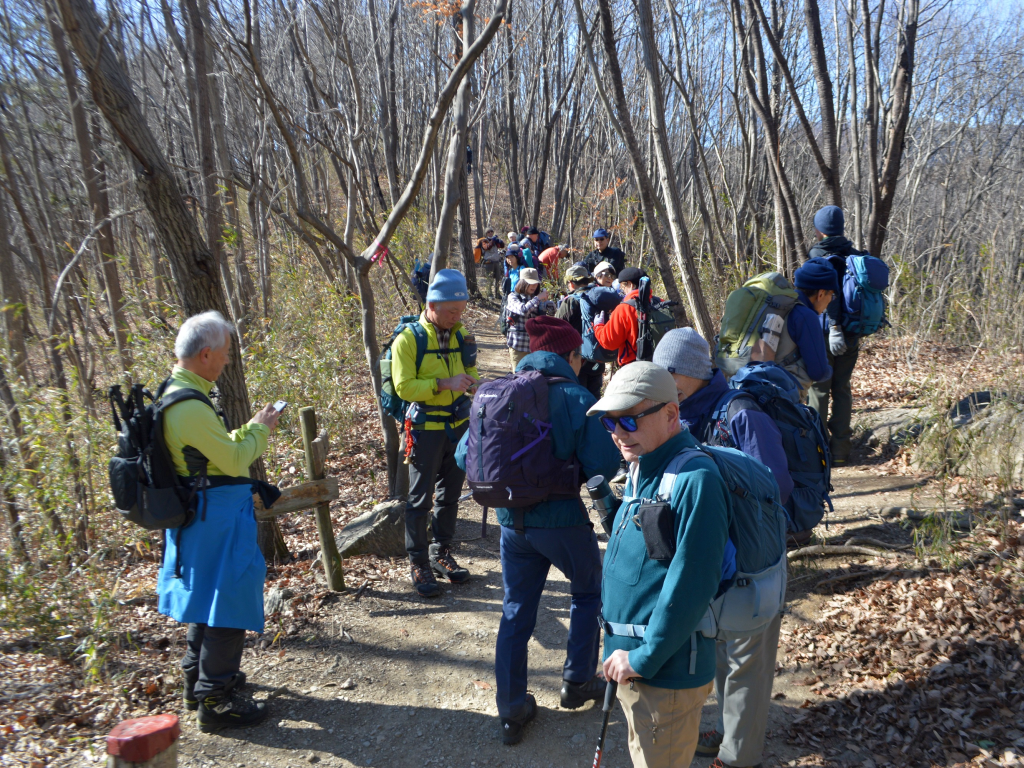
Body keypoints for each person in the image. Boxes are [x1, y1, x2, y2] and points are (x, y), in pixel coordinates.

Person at [457, 316, 620, 745]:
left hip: (512, 524)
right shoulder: (576, 396)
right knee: (588, 591)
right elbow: (605, 463)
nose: (582, 360)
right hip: (563, 521)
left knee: (515, 610)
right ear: (567, 355)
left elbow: (463, 457)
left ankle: (511, 709)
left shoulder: (499, 394)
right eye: (579, 354)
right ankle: (577, 681)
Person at [652, 329, 788, 768]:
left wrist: (718, 500)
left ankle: (736, 758)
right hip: (713, 563)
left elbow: (776, 487)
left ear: (689, 371)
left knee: (747, 665)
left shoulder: (740, 413)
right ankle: (729, 732)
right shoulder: (680, 411)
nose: (660, 377)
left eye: (667, 370)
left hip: (750, 561)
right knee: (719, 654)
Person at [587, 362, 730, 768]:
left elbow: (692, 582)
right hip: (633, 662)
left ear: (671, 415)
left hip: (663, 671)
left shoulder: (696, 479)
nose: (617, 432)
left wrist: (643, 658)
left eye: (629, 419)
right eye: (611, 422)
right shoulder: (641, 466)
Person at [158, 310, 280, 731]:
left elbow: (210, 449)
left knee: (207, 598)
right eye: (225, 354)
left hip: (199, 514)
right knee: (227, 600)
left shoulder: (175, 392)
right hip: (216, 518)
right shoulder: (189, 404)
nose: (227, 361)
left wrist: (246, 428)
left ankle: (200, 681)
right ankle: (217, 699)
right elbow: (232, 458)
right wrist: (260, 430)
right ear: (205, 354)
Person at [392, 269, 480, 597]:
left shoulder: (462, 335)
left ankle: (441, 553)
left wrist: (475, 385)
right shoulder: (409, 339)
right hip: (425, 429)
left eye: (461, 310)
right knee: (419, 498)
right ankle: (418, 562)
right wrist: (443, 384)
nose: (458, 317)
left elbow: (470, 370)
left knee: (451, 495)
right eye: (451, 311)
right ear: (432, 304)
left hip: (457, 427)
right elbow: (403, 387)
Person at [805, 206, 867, 465]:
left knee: (819, 390)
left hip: (823, 334)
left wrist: (832, 327)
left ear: (819, 230)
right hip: (852, 334)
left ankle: (820, 451)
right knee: (841, 389)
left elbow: (824, 296)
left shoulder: (817, 257)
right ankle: (841, 448)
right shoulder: (855, 256)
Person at [769, 257, 835, 397]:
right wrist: (830, 370)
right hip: (781, 396)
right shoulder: (806, 316)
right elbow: (819, 372)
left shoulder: (780, 305)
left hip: (751, 385)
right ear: (821, 293)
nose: (830, 302)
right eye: (832, 295)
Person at [556, 264, 605, 398]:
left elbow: (557, 329)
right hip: (597, 356)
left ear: (571, 283)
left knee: (578, 398)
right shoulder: (598, 298)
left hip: (576, 359)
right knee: (594, 398)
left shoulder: (570, 301)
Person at [593, 267, 652, 367]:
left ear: (630, 284)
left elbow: (609, 342)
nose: (622, 291)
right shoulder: (660, 302)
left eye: (623, 287)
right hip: (660, 364)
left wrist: (598, 326)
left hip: (634, 367)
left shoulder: (624, 308)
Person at [505, 268, 555, 371]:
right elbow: (523, 310)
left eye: (536, 283)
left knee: (533, 379)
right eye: (530, 283)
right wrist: (537, 298)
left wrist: (549, 303)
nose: (534, 286)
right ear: (522, 282)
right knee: (518, 378)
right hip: (518, 346)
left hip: (535, 347)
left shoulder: (536, 298)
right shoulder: (513, 297)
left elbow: (551, 313)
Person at [476, 234, 504, 298]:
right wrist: (492, 240)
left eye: (491, 231)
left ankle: (497, 294)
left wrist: (500, 241)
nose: (490, 233)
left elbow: (502, 246)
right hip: (488, 262)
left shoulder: (494, 242)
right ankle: (489, 294)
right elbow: (487, 247)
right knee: (490, 279)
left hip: (496, 261)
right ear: (486, 234)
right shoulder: (484, 241)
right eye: (489, 232)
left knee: (497, 278)